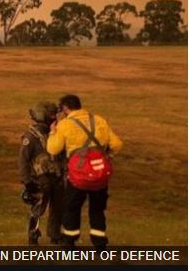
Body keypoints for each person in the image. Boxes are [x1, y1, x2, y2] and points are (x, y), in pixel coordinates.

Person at [47, 94, 123, 249]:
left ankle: (69, 241)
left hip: (78, 177)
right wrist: (107, 156)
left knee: (71, 208)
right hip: (100, 176)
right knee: (97, 209)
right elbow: (117, 144)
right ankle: (100, 243)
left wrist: (53, 132)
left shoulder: (65, 125)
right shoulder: (99, 120)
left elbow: (53, 149)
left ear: (66, 108)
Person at [19, 101, 65, 245]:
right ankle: (33, 235)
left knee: (58, 208)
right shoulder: (30, 137)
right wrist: (27, 181)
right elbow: (23, 161)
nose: (55, 118)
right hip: (40, 180)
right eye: (52, 115)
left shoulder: (56, 134)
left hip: (56, 176)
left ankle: (55, 235)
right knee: (38, 209)